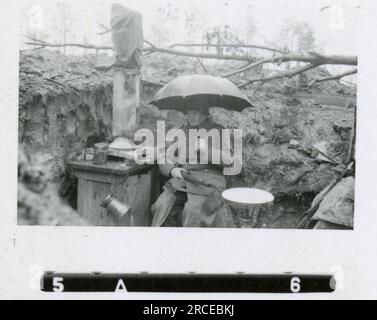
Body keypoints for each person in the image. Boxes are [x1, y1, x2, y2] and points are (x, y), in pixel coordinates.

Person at [151, 105, 237, 228]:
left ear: (204, 114)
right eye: (188, 113)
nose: (190, 116)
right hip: (184, 179)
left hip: (208, 181)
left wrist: (206, 149)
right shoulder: (182, 132)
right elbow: (165, 157)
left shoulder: (219, 131)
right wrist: (172, 169)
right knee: (161, 206)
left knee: (193, 212)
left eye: (194, 113)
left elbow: (230, 160)